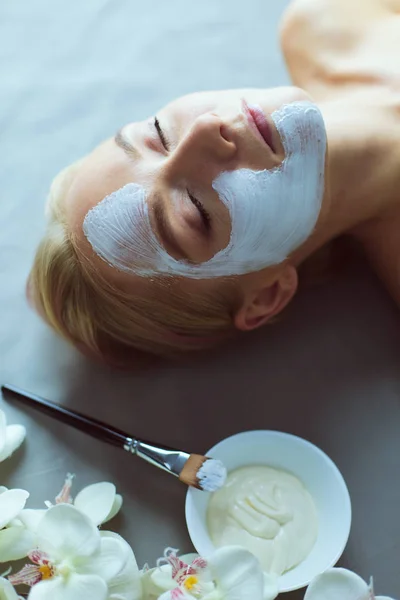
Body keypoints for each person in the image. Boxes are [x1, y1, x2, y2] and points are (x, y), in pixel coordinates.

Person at [28, 0, 400, 366]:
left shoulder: (325, 21)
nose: (206, 131)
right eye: (196, 209)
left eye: (158, 134)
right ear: (265, 296)